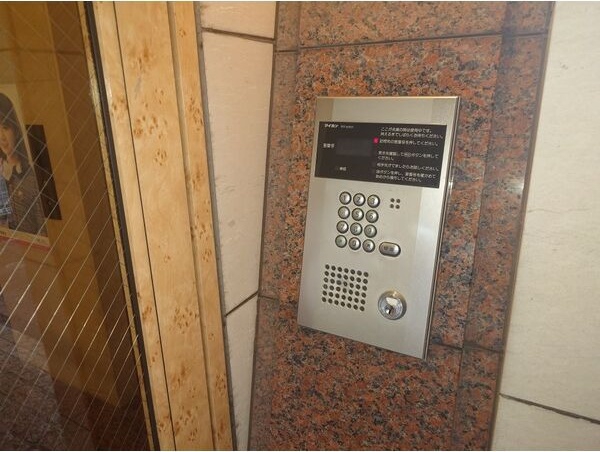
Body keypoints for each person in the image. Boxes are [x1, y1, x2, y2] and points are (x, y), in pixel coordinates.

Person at [0, 93, 45, 236]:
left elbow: (44, 230)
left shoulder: (32, 178)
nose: (1, 137)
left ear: (15, 129)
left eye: (5, 127)